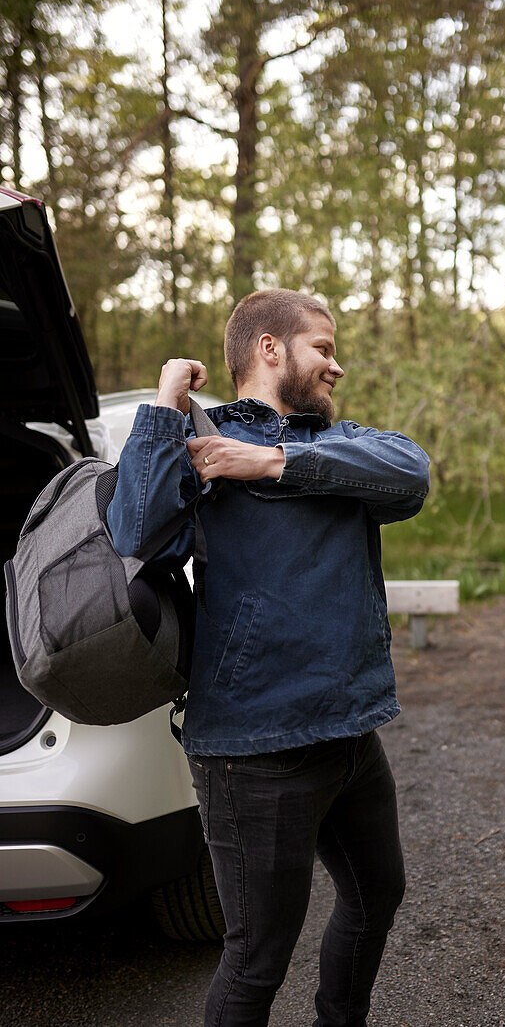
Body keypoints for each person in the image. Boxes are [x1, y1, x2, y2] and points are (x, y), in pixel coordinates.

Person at [107, 287, 430, 1027]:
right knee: (257, 959)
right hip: (255, 749)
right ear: (269, 349)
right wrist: (162, 406)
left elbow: (410, 476)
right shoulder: (204, 447)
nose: (336, 365)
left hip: (351, 732)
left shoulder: (335, 446)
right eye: (323, 346)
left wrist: (271, 465)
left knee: (375, 896)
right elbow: (135, 530)